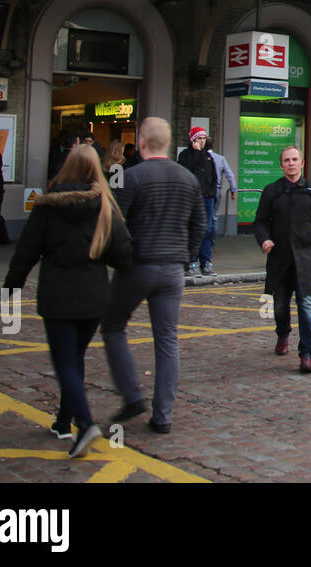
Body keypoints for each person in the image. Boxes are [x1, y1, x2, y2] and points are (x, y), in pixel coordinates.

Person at [4, 146, 133, 458]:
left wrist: (13, 283)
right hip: (93, 295)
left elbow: (27, 249)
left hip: (58, 293)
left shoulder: (48, 206)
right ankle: (64, 421)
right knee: (74, 359)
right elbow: (123, 255)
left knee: (65, 362)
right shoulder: (104, 204)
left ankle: (85, 422)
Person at [102, 117, 205, 435]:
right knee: (167, 340)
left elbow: (114, 223)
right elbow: (200, 224)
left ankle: (132, 394)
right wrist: (186, 255)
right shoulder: (187, 178)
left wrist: (119, 259)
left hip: (137, 265)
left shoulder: (130, 177)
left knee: (113, 326)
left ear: (142, 143)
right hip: (172, 268)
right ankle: (163, 416)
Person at [254, 146, 311, 374]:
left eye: (295, 159)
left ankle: (307, 353)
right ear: (281, 165)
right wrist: (264, 240)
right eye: (287, 160)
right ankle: (283, 334)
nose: (291, 163)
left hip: (306, 257)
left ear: (302, 163)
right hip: (280, 258)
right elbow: (260, 221)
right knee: (279, 306)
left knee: (307, 305)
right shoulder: (272, 191)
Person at [177, 126, 219, 277]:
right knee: (192, 229)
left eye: (204, 138)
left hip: (207, 197)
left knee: (207, 230)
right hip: (192, 198)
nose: (203, 141)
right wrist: (196, 152)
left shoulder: (208, 156)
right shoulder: (186, 155)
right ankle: (191, 262)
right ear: (193, 139)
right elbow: (187, 169)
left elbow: (214, 176)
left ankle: (206, 261)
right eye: (200, 138)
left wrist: (212, 193)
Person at [205, 137, 238, 239]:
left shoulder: (200, 157)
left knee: (202, 217)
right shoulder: (220, 158)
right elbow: (230, 175)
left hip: (203, 190)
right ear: (212, 146)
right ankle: (211, 243)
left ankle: (202, 244)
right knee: (214, 217)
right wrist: (233, 190)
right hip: (216, 189)